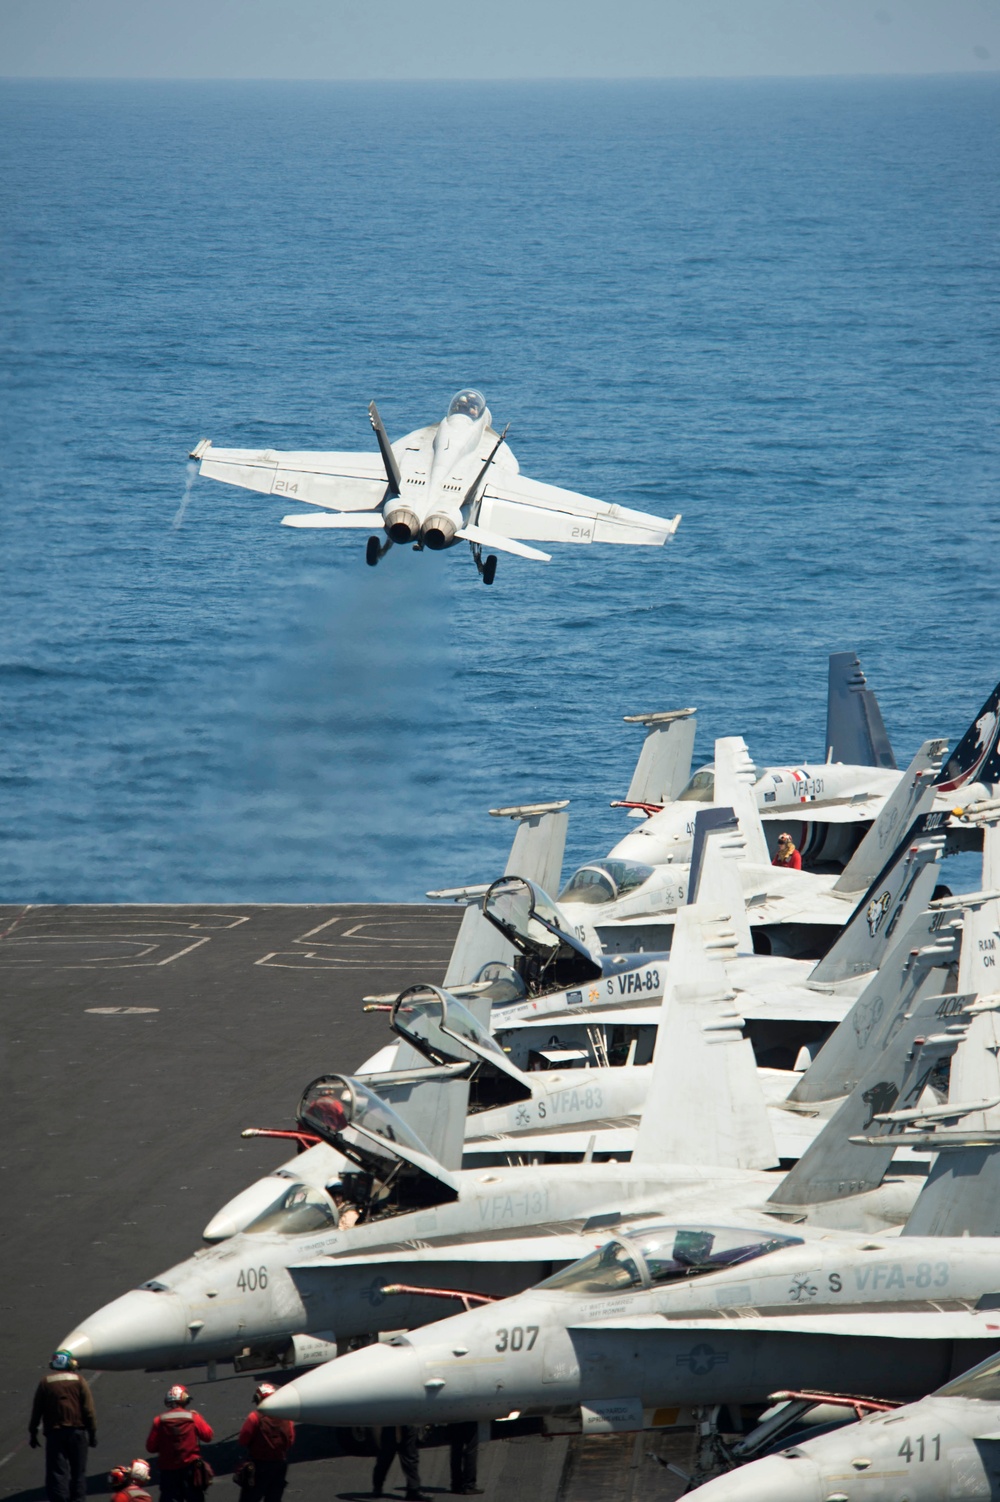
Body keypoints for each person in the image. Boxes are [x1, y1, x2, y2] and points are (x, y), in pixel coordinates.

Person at [28, 1349, 97, 1502]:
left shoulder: (45, 1382)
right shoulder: (79, 1381)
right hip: (77, 1433)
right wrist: (92, 1433)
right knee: (78, 1473)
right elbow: (88, 1410)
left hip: (54, 1434)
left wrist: (33, 1432)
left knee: (57, 1473)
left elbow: (37, 1410)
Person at [146, 1385, 213, 1502]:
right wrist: (199, 1417)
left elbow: (151, 1447)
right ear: (185, 1399)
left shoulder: (159, 1420)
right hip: (191, 1470)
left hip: (168, 1473)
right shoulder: (193, 1418)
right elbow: (207, 1436)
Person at [236, 1383, 294, 1502]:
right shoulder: (287, 1416)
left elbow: (243, 1440)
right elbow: (290, 1440)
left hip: (259, 1466)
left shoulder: (254, 1417)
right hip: (280, 1465)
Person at [371, 1426, 428, 1501]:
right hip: (393, 1423)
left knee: (410, 1455)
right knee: (386, 1456)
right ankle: (377, 1486)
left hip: (406, 1422)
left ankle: (413, 1489)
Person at [448, 1422, 482, 1495]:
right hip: (468, 1416)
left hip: (454, 1417)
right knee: (471, 1448)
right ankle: (469, 1485)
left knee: (456, 1449)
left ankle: (456, 1484)